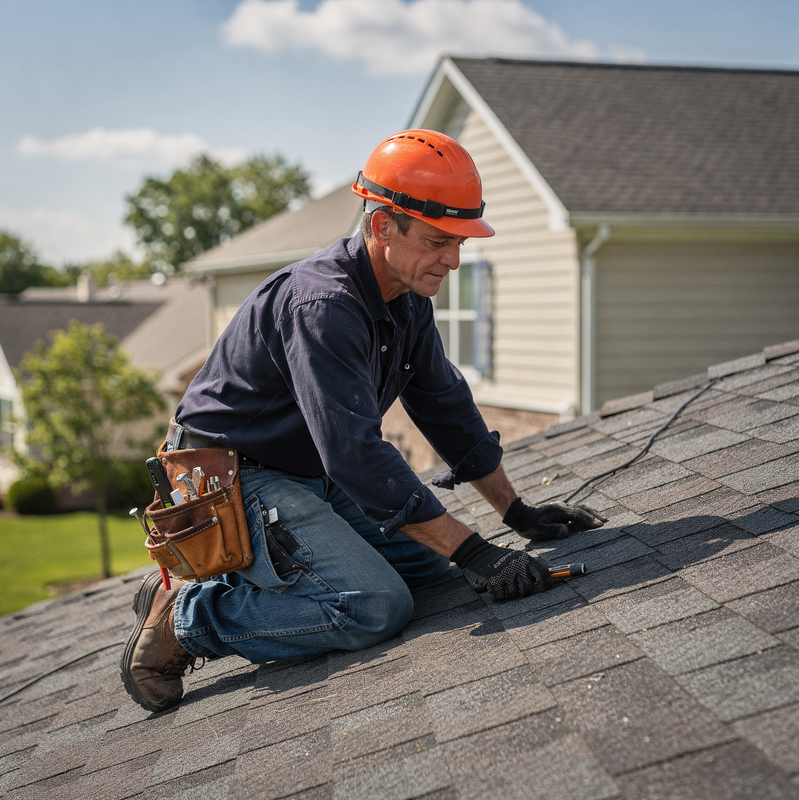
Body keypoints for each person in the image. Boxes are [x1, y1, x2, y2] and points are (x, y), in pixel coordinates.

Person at [120, 129, 606, 713]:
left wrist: (516, 513)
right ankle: (190, 616)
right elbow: (353, 453)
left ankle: (250, 583)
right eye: (437, 240)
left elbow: (443, 405)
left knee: (430, 564)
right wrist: (480, 553)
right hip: (231, 476)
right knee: (376, 605)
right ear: (381, 227)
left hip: (306, 467)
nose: (453, 259)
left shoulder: (407, 298)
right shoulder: (322, 306)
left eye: (458, 242)